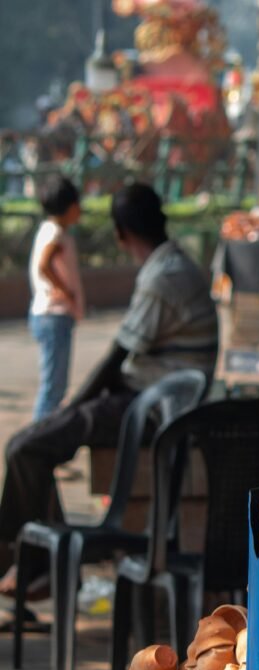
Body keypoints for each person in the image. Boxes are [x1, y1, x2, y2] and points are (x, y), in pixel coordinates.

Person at [0, 183, 218, 598]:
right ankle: (37, 563)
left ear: (120, 233)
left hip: (153, 406)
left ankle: (28, 563)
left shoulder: (163, 277)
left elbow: (115, 359)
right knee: (33, 446)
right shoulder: (173, 266)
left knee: (26, 447)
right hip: (149, 395)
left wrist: (72, 408)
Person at [28, 175, 85, 421]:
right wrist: (65, 290)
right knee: (53, 388)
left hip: (51, 316)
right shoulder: (55, 234)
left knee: (55, 386)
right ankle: (39, 440)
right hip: (54, 315)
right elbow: (44, 264)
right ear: (71, 206)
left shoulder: (51, 230)